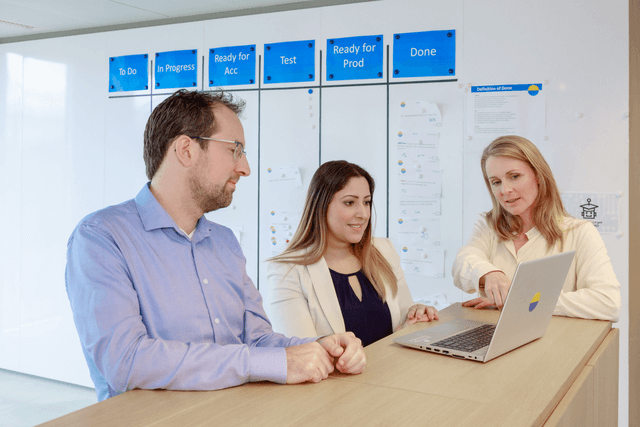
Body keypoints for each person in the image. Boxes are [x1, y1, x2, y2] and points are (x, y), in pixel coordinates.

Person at [65, 90, 365, 402]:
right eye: (235, 150)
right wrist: (267, 363)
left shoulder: (225, 242)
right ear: (186, 150)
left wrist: (318, 347)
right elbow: (125, 361)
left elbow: (257, 341)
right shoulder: (101, 238)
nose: (245, 167)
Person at [266, 160, 439, 346]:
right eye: (350, 203)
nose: (363, 214)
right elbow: (304, 353)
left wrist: (416, 313)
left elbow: (404, 318)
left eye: (366, 202)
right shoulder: (286, 271)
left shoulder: (384, 250)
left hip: (393, 364)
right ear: (321, 205)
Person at [452, 135, 620, 321]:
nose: (505, 190)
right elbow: (462, 263)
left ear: (538, 176)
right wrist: (489, 274)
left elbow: (608, 303)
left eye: (514, 177)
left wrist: (523, 300)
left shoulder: (579, 232)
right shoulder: (488, 225)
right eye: (496, 182)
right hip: (494, 335)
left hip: (555, 337)